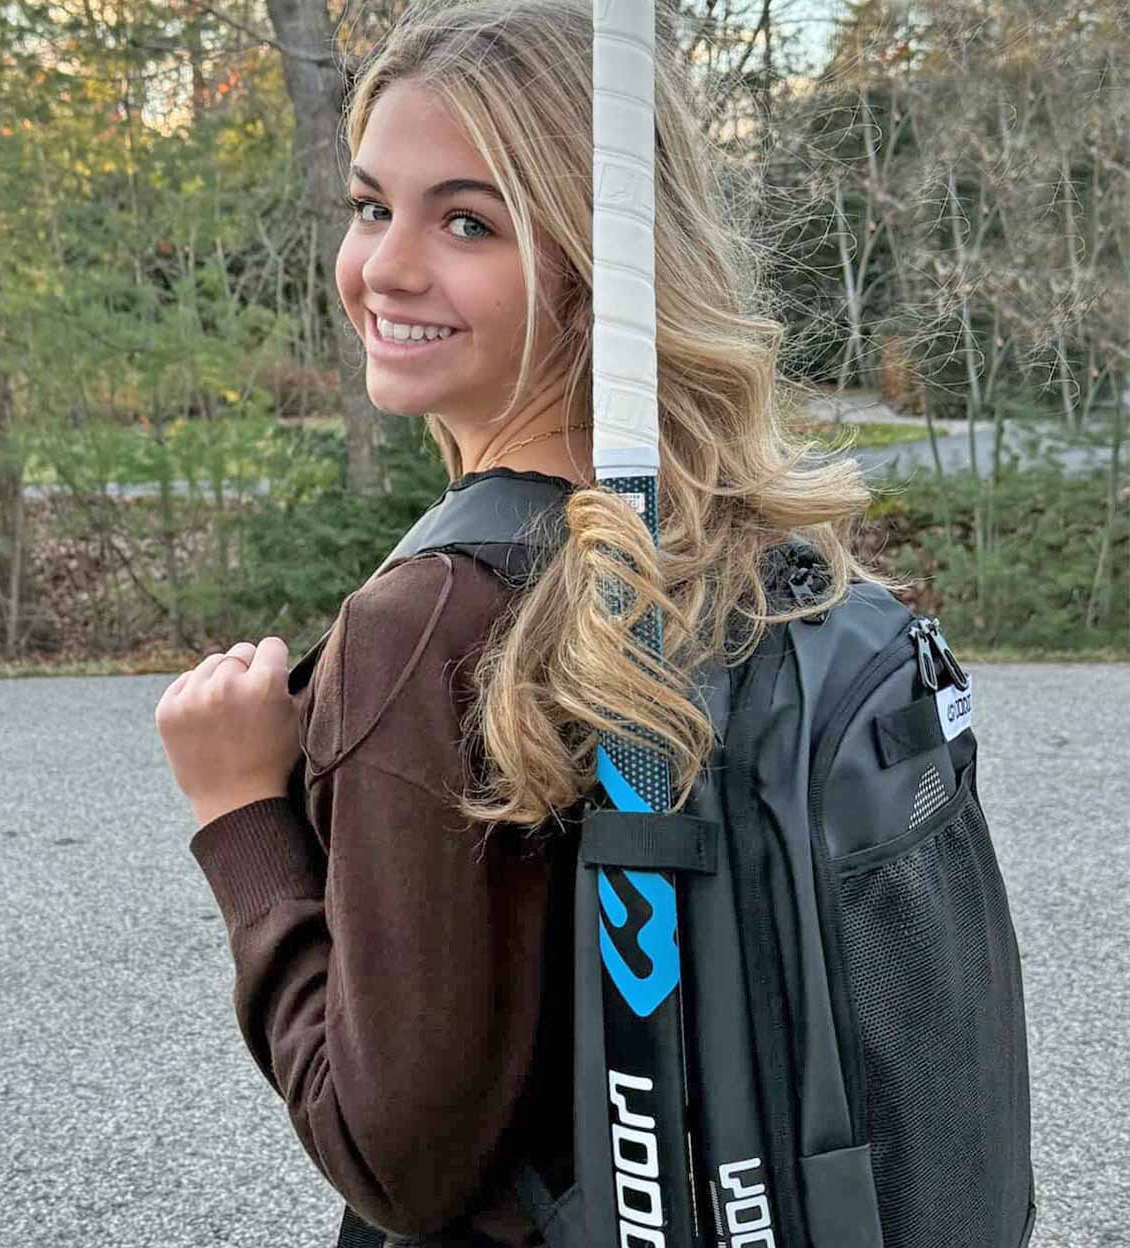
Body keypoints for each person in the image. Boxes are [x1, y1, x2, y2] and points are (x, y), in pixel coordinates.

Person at [155, 1, 908, 1244]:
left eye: (468, 221)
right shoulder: (736, 550)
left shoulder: (434, 619)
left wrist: (239, 813)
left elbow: (394, 1160)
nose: (387, 267)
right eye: (369, 206)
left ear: (595, 265)